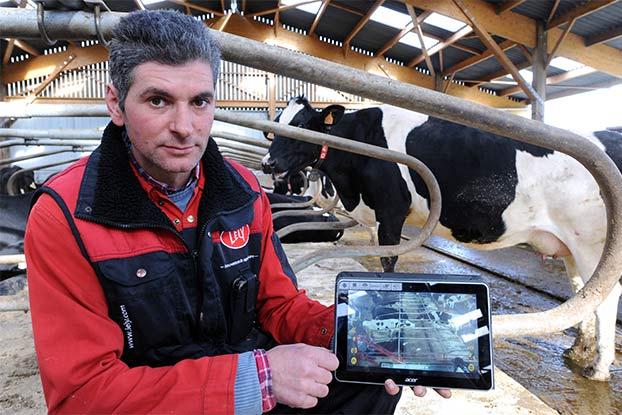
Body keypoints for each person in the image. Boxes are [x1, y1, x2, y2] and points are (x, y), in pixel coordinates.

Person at [24, 10, 450, 414]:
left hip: (239, 380)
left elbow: (280, 307)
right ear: (116, 104)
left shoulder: (242, 191)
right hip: (157, 400)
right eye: (158, 101)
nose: (185, 126)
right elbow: (82, 396)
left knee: (364, 377)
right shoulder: (67, 216)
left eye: (200, 102)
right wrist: (258, 379)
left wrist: (364, 333)